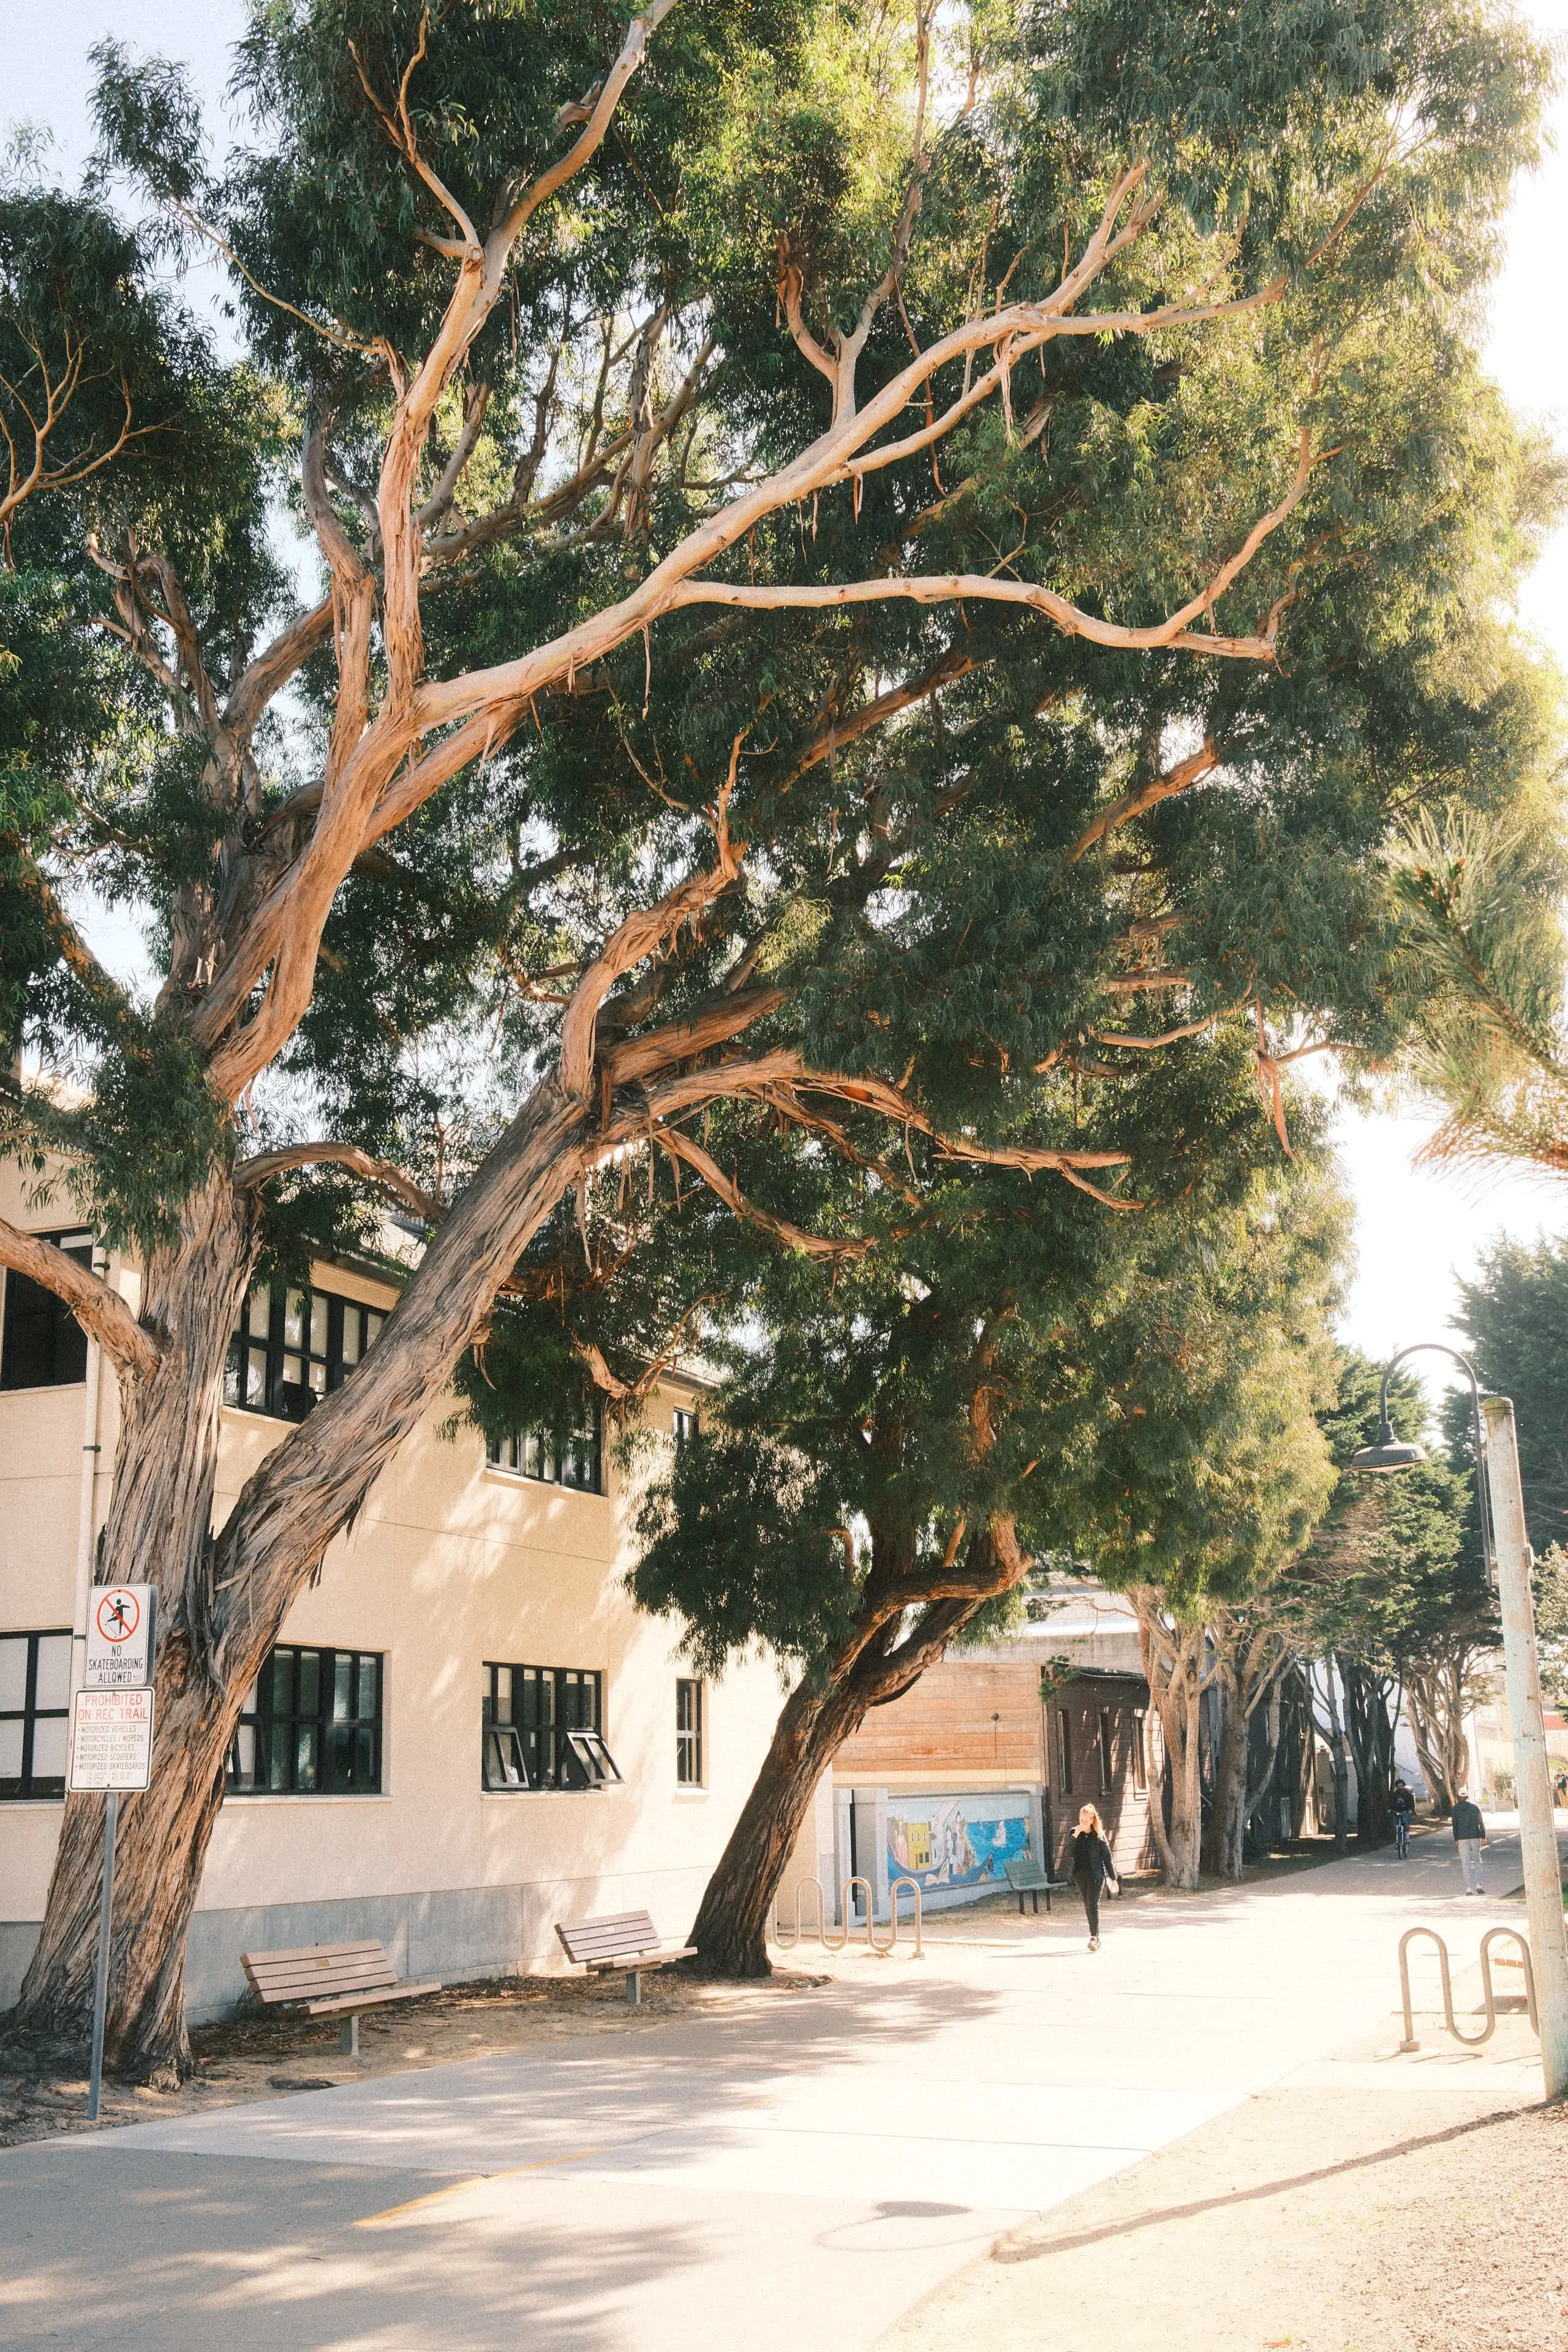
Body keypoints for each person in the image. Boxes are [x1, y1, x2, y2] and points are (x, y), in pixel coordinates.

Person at [1069, 1803, 1119, 1951]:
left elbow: (1107, 1857)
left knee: (1092, 1904)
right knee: (1088, 1905)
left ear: (1092, 1820)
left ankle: (1094, 1938)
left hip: (1097, 1876)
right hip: (1080, 1875)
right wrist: (1075, 1837)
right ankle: (1096, 1935)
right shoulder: (1074, 1832)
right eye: (1081, 1820)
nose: (1082, 1823)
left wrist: (1114, 1878)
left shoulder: (1098, 1835)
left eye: (1086, 1821)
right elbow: (1068, 1853)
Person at [1450, 1788, 1487, 1894]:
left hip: (1462, 1838)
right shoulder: (1475, 1807)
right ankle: (1479, 1885)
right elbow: (1481, 1823)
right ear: (1467, 1796)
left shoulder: (1455, 1809)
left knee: (1465, 1862)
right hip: (1475, 1837)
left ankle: (1469, 1887)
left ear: (1458, 1797)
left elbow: (1455, 1826)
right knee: (1477, 1860)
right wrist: (1483, 1836)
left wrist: (1456, 1839)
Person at [1391, 1776, 1415, 1860]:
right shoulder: (1394, 1795)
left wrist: (1411, 1810)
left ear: (1404, 1786)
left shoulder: (1408, 1795)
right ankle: (1398, 1840)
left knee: (1405, 1821)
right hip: (1396, 1812)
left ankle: (1407, 1837)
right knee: (1396, 1825)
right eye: (1398, 1786)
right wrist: (1389, 1809)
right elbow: (1390, 1803)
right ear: (1396, 1787)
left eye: (1401, 1786)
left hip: (1406, 1812)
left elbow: (1412, 1804)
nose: (1400, 1788)